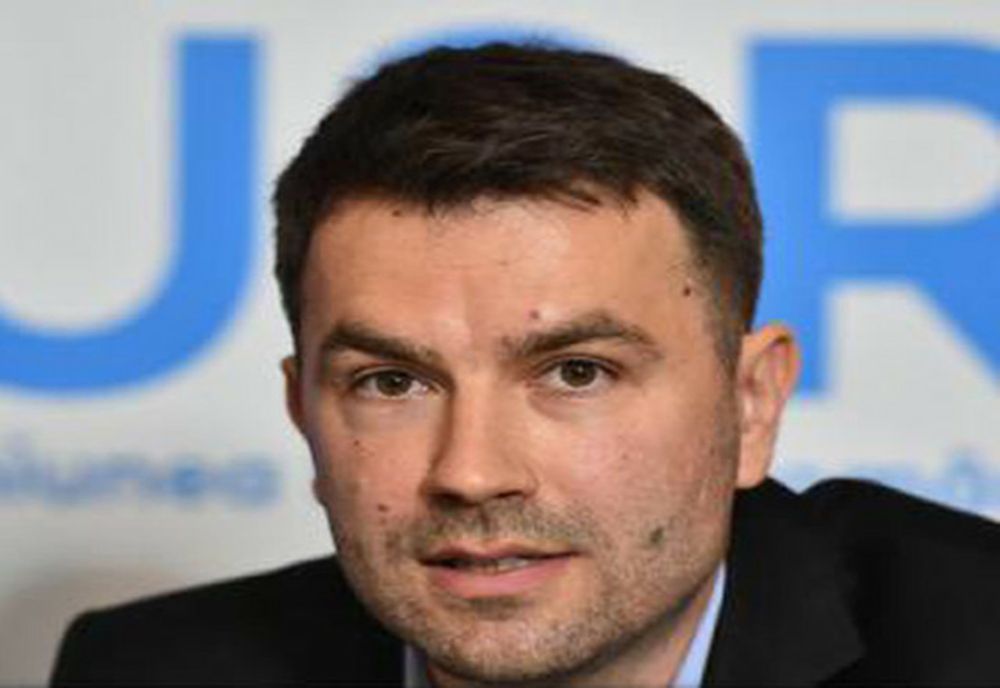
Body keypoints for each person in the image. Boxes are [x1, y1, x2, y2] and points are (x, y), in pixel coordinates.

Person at [51, 42, 1000, 687]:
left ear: (751, 404)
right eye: (392, 383)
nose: (471, 472)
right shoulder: (149, 670)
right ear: (305, 416)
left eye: (576, 372)